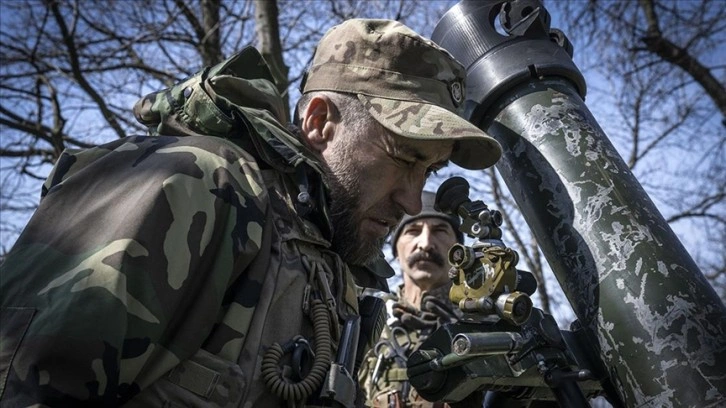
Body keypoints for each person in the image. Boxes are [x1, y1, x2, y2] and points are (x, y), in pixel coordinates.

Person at [0, 19, 501, 407]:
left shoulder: (327, 270)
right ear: (320, 121)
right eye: (404, 157)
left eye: (429, 172)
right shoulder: (195, 183)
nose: (412, 202)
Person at [359, 190, 482, 407]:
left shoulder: (483, 327)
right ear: (396, 248)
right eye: (413, 231)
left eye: (440, 231)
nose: (425, 243)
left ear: (459, 251)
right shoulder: (364, 317)